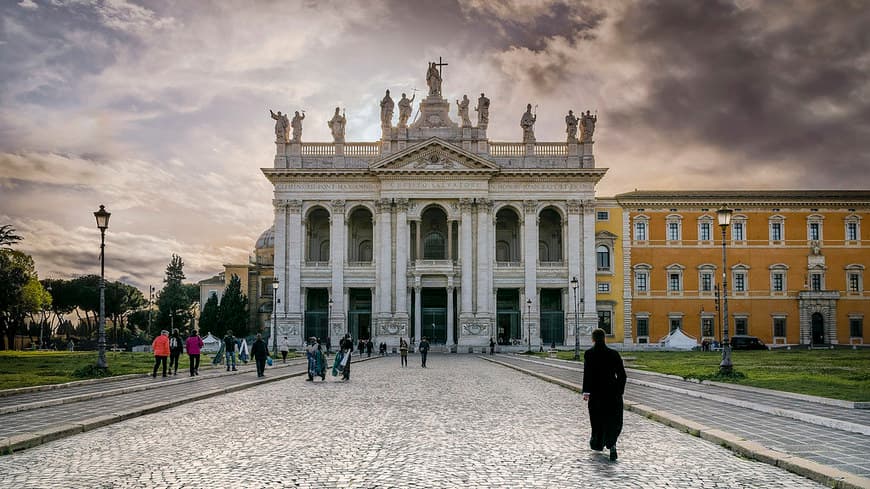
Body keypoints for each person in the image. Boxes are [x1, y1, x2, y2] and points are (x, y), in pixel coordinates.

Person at [581, 328, 627, 461]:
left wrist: (586, 392)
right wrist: (619, 391)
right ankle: (612, 444)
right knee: (612, 419)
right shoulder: (613, 354)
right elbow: (622, 375)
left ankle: (597, 443)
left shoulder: (589, 354)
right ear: (605, 338)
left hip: (596, 393)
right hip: (612, 393)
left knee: (597, 420)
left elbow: (587, 374)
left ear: (593, 339)